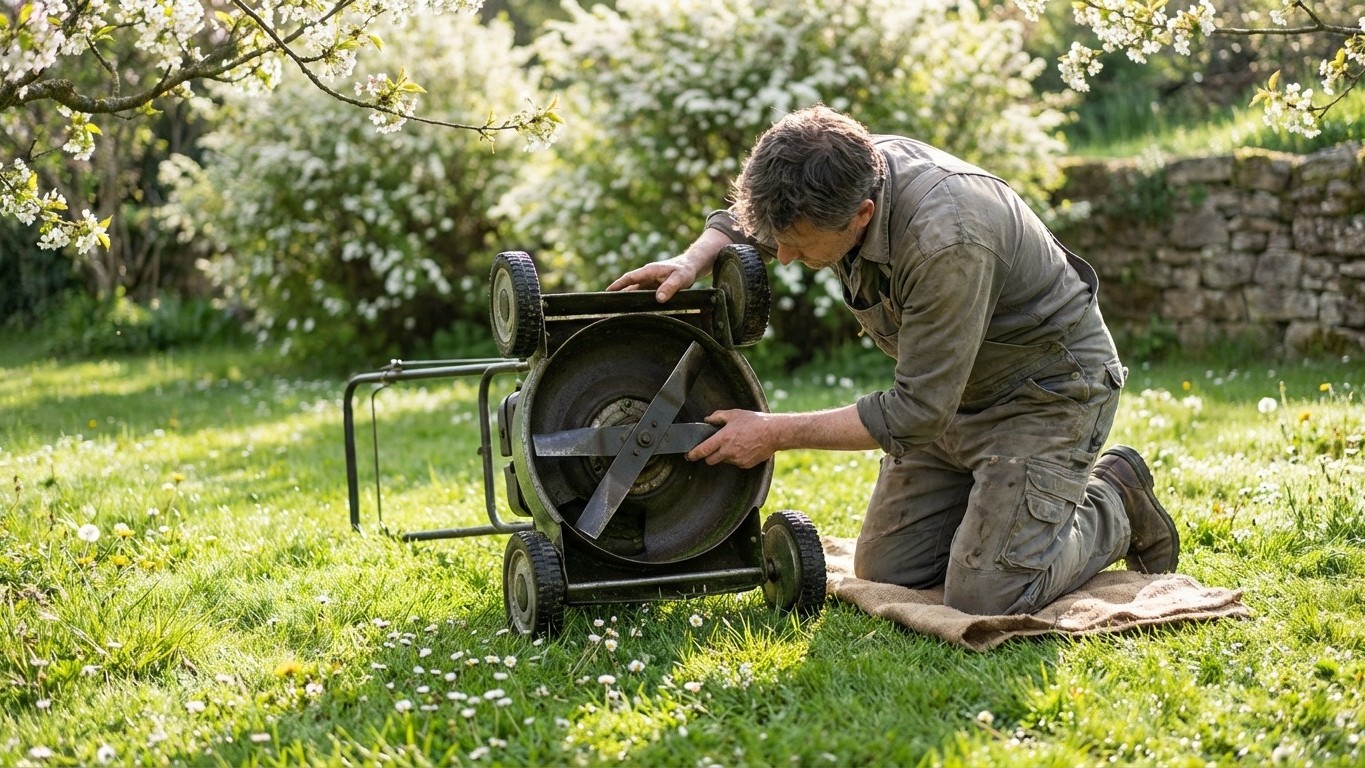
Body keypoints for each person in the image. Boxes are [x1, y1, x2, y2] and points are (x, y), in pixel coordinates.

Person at [607, 105, 1179, 616]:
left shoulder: (947, 239)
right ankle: (1004, 512)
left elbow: (914, 415)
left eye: (800, 245)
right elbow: (758, 217)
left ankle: (1115, 499)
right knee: (887, 571)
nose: (781, 258)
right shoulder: (836, 165)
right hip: (953, 394)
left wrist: (773, 432)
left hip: (1044, 395)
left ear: (861, 214)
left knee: (987, 594)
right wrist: (692, 260)